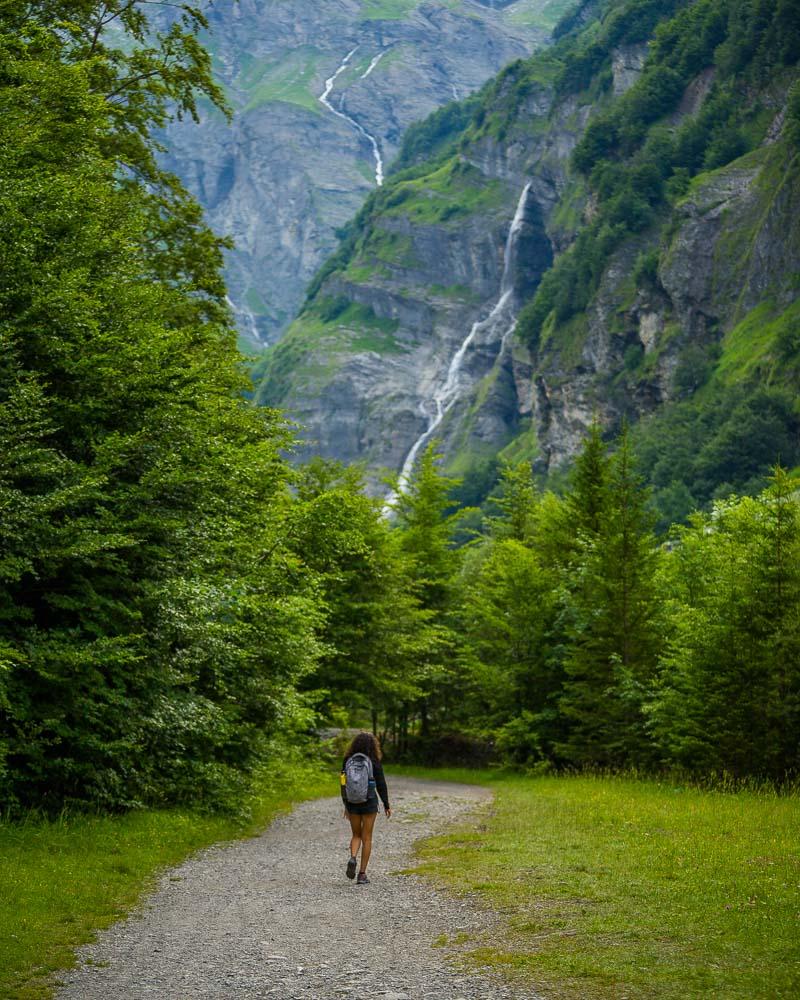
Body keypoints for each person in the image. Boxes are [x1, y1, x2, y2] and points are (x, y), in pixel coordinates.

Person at [340, 731, 391, 885]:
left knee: (356, 834)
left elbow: (343, 783)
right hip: (369, 802)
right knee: (366, 837)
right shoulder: (374, 760)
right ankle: (362, 874)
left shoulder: (348, 759)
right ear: (372, 745)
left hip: (353, 803)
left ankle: (353, 857)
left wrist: (346, 804)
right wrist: (386, 804)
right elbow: (381, 784)